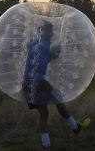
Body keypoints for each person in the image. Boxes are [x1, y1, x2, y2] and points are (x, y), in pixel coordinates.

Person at [22, 21, 88, 149]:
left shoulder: (34, 43)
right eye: (47, 31)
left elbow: (30, 48)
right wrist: (63, 44)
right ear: (41, 31)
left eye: (51, 31)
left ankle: (46, 144)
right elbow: (54, 53)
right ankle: (74, 127)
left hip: (27, 83)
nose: (50, 34)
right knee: (58, 100)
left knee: (43, 112)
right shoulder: (45, 46)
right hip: (39, 83)